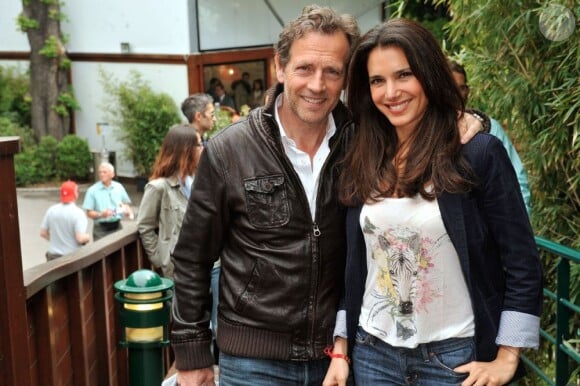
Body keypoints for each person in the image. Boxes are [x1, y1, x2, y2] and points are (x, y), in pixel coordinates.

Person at [170, 6, 483, 386]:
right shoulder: (229, 150)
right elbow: (192, 259)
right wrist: (192, 355)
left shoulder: (366, 140)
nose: (317, 85)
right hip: (253, 360)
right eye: (304, 68)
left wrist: (466, 117)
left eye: (332, 71)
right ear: (280, 68)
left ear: (346, 78)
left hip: (341, 358)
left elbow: (422, 119)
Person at [324, 19, 543, 386]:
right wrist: (342, 350)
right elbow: (356, 267)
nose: (390, 92)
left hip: (453, 359)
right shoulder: (362, 156)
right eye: (377, 81)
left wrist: (507, 356)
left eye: (404, 74)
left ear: (428, 73)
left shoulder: (477, 153)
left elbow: (522, 261)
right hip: (373, 354)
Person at [449, 59, 531, 214]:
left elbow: (517, 180)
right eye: (450, 88)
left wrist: (519, 226)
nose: (456, 95)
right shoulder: (425, 130)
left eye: (461, 88)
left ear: (467, 91)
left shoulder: (490, 127)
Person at [137, 124, 203, 278]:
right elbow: (144, 226)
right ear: (186, 150)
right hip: (178, 270)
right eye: (199, 144)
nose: (203, 148)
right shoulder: (158, 187)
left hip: (209, 265)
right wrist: (160, 259)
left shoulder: (200, 180)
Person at [40, 180, 90, 260]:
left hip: (53, 257)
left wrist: (55, 241)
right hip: (71, 257)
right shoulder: (78, 213)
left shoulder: (51, 210)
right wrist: (87, 237)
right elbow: (80, 238)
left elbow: (43, 233)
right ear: (76, 194)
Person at [83, 162, 133, 241]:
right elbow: (88, 213)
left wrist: (128, 212)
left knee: (120, 252)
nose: (102, 174)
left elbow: (125, 204)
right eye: (100, 172)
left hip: (117, 226)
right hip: (100, 230)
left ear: (112, 174)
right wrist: (101, 214)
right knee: (101, 252)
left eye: (104, 172)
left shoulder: (118, 187)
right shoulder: (92, 190)